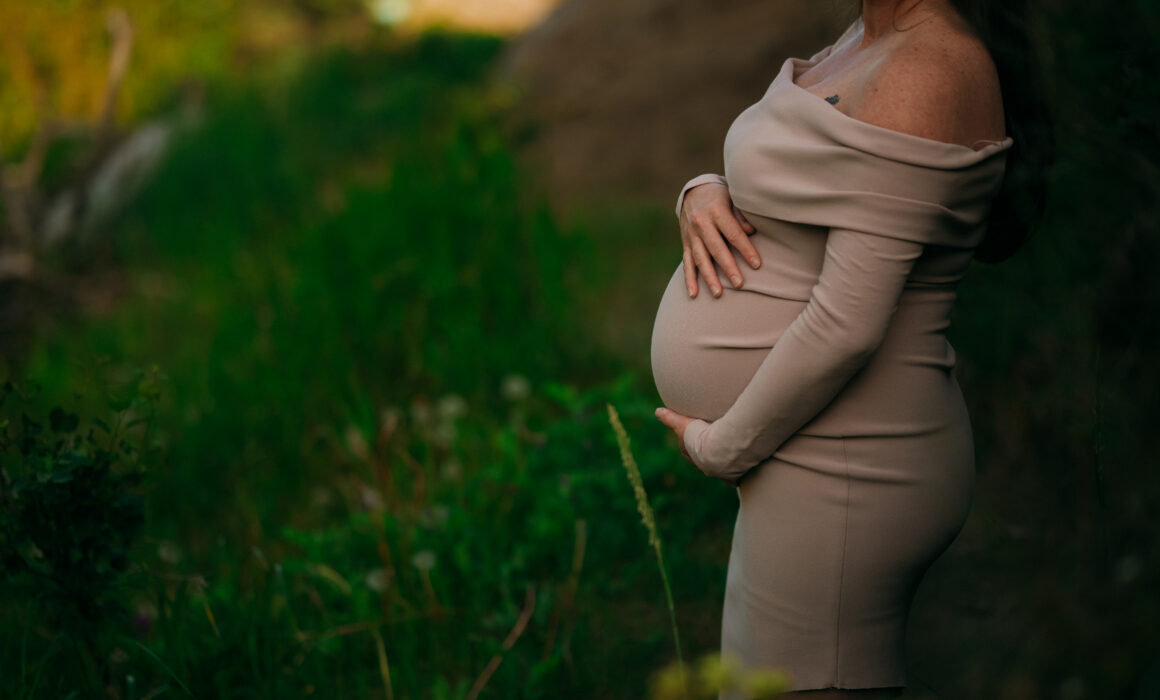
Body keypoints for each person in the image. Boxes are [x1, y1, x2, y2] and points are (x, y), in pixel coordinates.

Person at [650, 0, 1051, 696]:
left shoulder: (928, 67)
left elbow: (848, 324)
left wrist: (723, 449)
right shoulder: (868, 36)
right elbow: (798, 184)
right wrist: (703, 192)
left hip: (848, 463)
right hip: (803, 444)